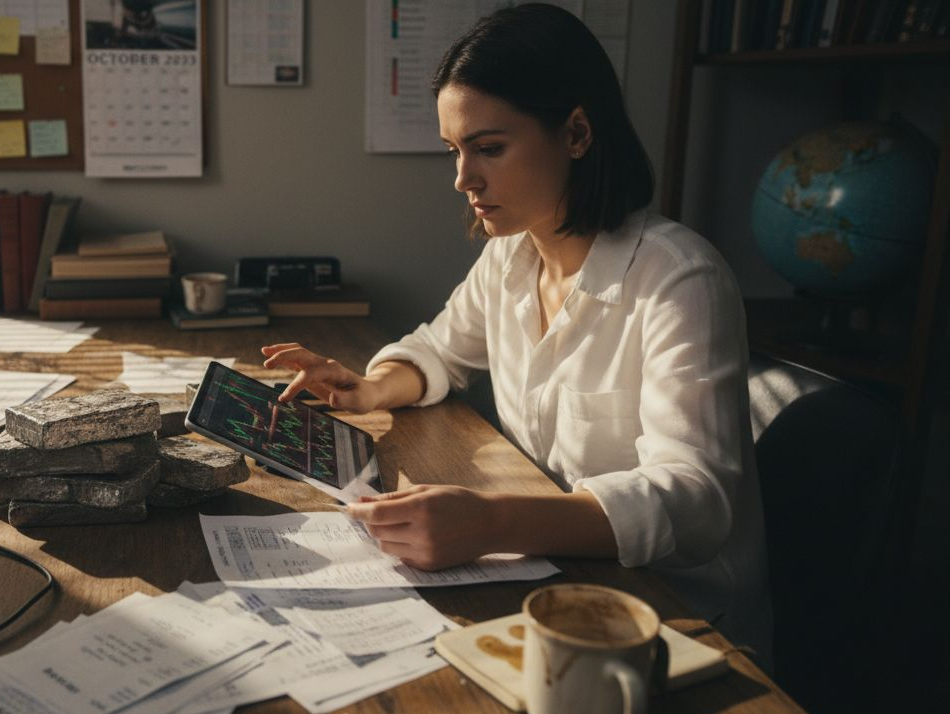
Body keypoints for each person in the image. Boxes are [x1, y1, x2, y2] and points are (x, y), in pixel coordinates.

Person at [261, 4, 769, 659]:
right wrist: (368, 388)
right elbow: (442, 349)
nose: (462, 178)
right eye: (455, 150)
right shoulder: (513, 253)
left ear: (577, 132)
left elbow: (695, 500)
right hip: (559, 582)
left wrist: (493, 520)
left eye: (489, 148)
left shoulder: (681, 278)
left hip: (681, 621)